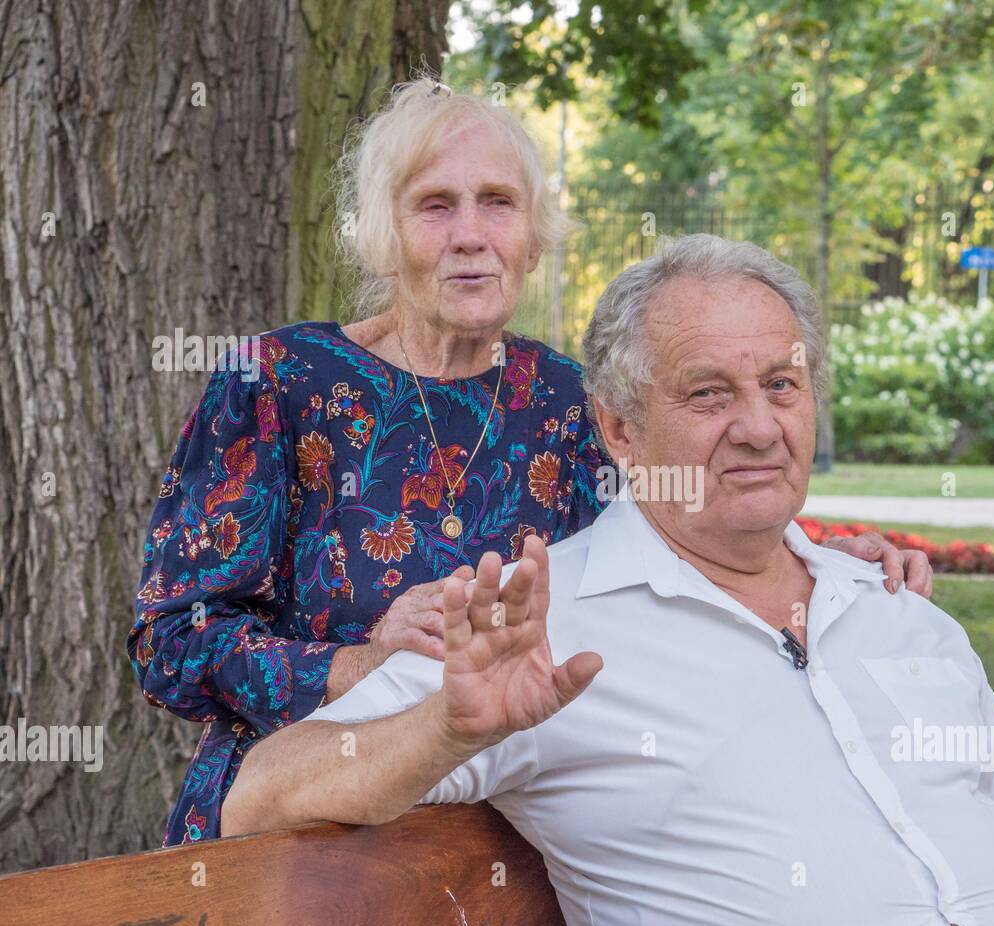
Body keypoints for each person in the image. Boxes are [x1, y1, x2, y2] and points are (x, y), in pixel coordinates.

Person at [220, 233, 994, 926]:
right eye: (709, 393)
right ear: (619, 426)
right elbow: (262, 793)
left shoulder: (902, 610)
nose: (760, 426)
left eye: (782, 383)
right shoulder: (544, 626)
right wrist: (445, 724)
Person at [126, 81, 932, 848]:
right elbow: (170, 642)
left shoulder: (565, 398)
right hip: (291, 830)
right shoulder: (279, 380)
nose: (471, 234)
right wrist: (358, 663)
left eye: (499, 204)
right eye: (435, 206)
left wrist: (819, 563)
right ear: (384, 232)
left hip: (500, 836)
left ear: (532, 232)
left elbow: (679, 535)